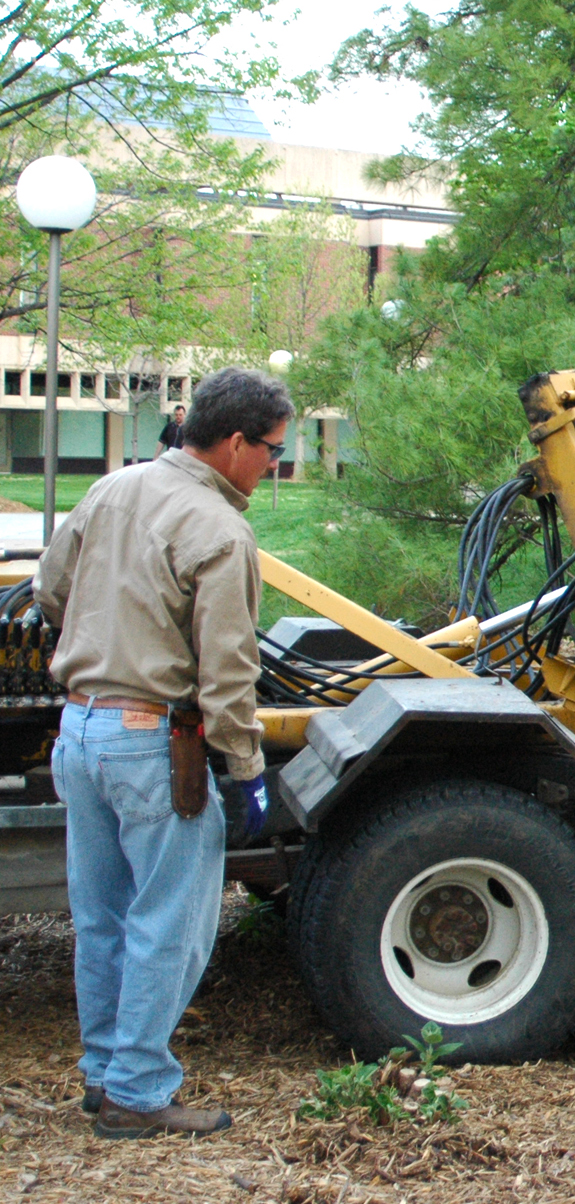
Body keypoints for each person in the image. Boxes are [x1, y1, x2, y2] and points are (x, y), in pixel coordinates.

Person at [35, 367, 291, 1139]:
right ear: (237, 442)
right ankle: (138, 1092)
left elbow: (50, 590)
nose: (275, 466)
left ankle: (102, 1076)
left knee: (103, 916)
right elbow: (228, 670)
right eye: (274, 452)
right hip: (153, 744)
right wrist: (247, 773)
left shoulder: (113, 489)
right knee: (168, 924)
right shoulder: (218, 530)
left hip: (79, 731)